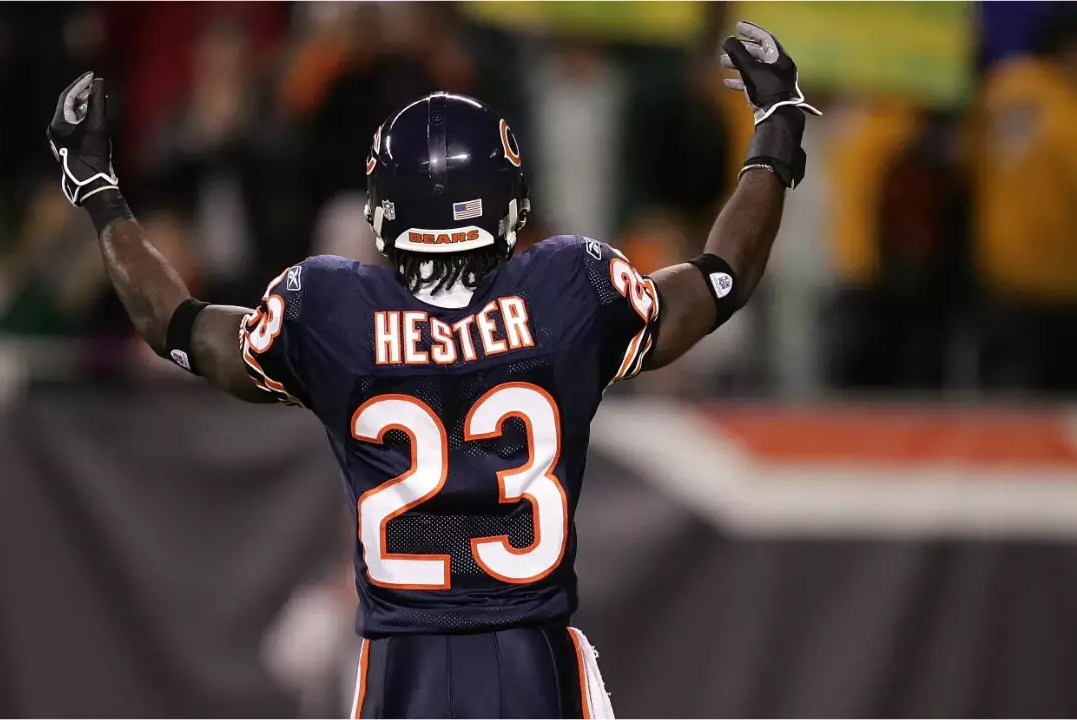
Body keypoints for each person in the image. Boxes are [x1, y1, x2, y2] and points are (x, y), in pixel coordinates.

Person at [45, 21, 818, 719]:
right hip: (533, 665)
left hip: (403, 671)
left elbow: (175, 326)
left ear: (385, 208)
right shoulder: (566, 289)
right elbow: (722, 279)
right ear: (506, 200)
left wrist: (99, 193)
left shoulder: (332, 311)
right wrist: (776, 138)